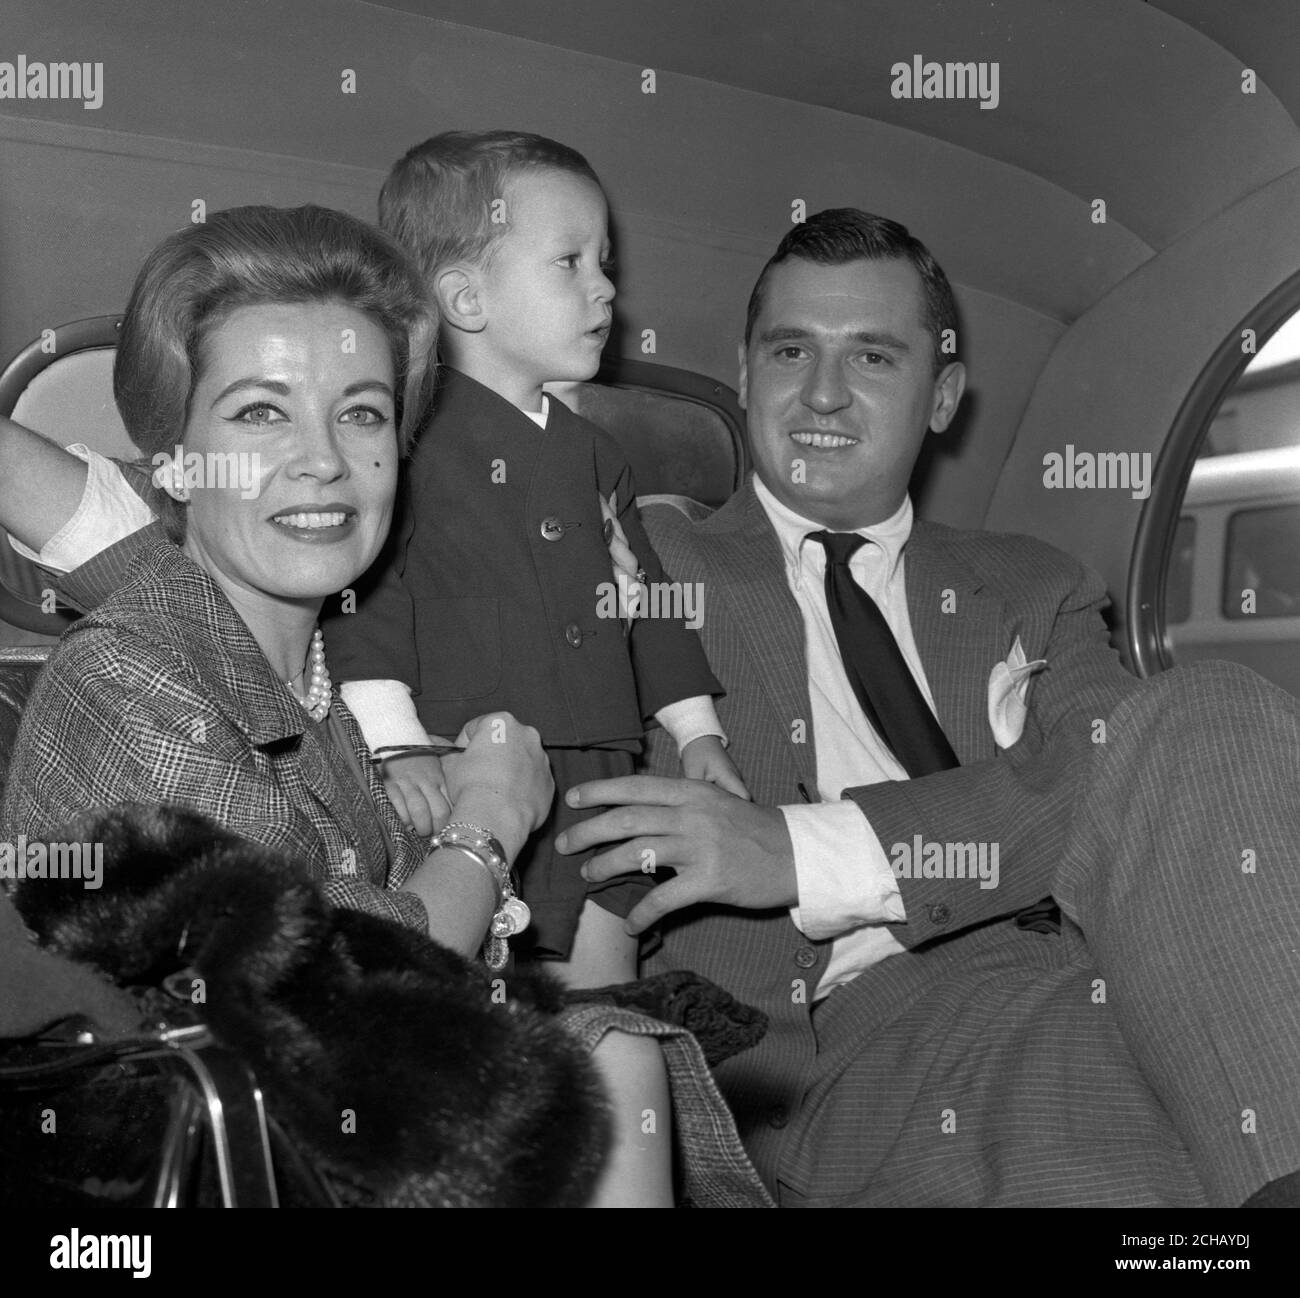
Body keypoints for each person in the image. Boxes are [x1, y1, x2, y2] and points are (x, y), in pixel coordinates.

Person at [0, 204, 770, 1208]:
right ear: (175, 463)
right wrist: (488, 821)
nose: (323, 459)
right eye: (261, 411)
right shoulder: (132, 679)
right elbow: (339, 995)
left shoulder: (319, 682)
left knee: (616, 1045)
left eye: (360, 412)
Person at [556, 208, 1300, 1208]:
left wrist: (798, 848)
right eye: (789, 350)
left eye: (871, 355)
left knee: (1207, 709)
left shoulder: (1036, 582)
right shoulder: (649, 566)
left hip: (1125, 965)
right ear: (743, 375)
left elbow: (1123, 777)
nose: (821, 392)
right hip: (858, 1030)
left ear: (941, 393)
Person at [322, 130, 746, 987]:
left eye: (606, 261)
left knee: (607, 960)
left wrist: (696, 730)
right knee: (499, 975)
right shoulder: (407, 446)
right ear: (466, 297)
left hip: (605, 765)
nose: (606, 288)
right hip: (475, 759)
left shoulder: (596, 451)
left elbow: (653, 605)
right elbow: (366, 596)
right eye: (570, 262)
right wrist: (396, 742)